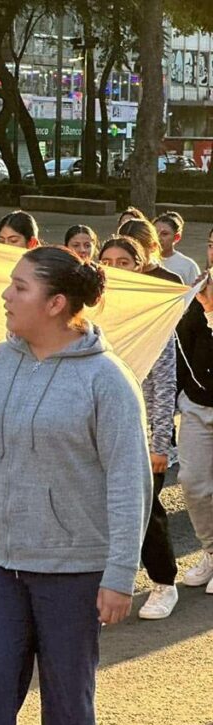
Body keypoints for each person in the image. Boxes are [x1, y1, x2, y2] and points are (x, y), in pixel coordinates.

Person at [0, 246, 150, 725]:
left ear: (55, 304)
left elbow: (129, 482)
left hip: (73, 573)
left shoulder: (108, 381)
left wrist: (119, 574)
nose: (6, 295)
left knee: (68, 704)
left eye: (20, 287)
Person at [97, 236, 180, 619]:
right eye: (107, 261)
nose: (115, 268)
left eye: (124, 262)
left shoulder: (154, 317)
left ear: (140, 265)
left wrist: (159, 442)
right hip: (96, 434)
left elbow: (164, 385)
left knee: (144, 511)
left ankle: (164, 583)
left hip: (144, 435)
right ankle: (112, 583)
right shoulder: (86, 313)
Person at [173, 225, 213, 593]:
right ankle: (211, 552)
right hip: (197, 407)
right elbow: (178, 348)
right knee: (194, 484)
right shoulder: (196, 290)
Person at [117, 217, 182, 284]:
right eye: (124, 250)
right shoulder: (112, 276)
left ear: (153, 246)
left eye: (137, 251)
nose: (130, 255)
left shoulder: (170, 281)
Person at [154, 211, 201, 284]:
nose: (158, 238)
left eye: (164, 234)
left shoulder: (188, 266)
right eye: (154, 233)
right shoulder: (142, 262)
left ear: (177, 237)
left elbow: (196, 293)